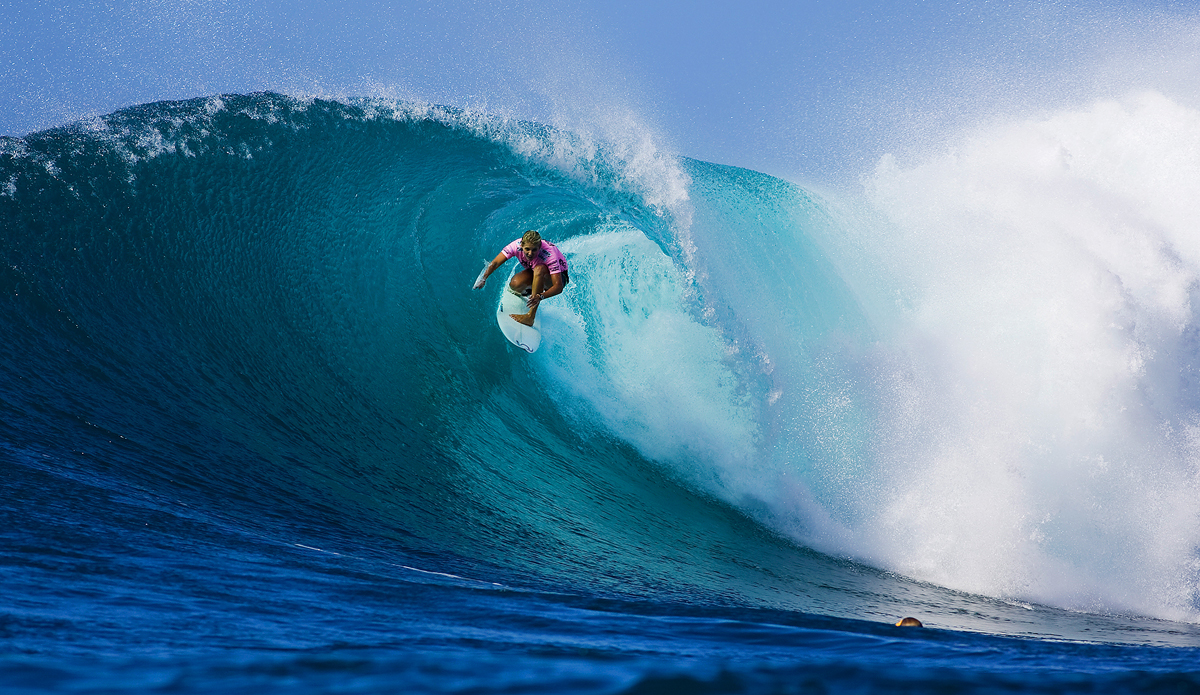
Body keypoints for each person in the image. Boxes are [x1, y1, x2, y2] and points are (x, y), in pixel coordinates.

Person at [474, 230, 569, 326]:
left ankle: (530, 317)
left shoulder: (549, 254)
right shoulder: (515, 246)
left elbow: (558, 287)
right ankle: (531, 292)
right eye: (527, 249)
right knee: (515, 284)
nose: (530, 253)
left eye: (534, 250)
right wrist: (484, 278)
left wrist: (540, 296)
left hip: (557, 279)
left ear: (539, 247)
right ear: (521, 245)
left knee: (539, 269)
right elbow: (495, 263)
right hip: (536, 272)